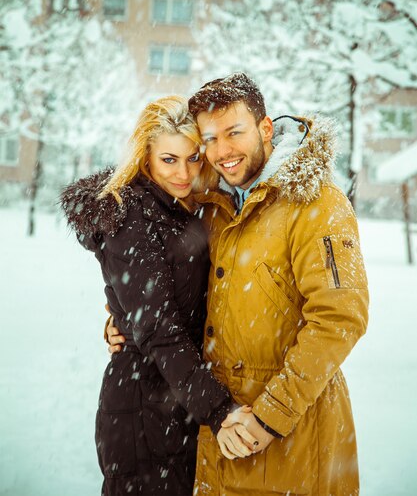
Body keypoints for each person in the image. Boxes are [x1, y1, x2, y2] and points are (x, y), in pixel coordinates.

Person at [108, 74, 369, 496]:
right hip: (219, 438)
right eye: (209, 138)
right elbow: (166, 282)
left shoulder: (319, 205)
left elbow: (340, 319)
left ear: (266, 128)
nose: (222, 151)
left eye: (234, 132)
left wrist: (268, 416)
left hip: (292, 441)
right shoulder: (212, 207)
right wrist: (121, 317)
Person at [60, 96, 257, 496]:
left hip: (175, 397)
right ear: (144, 157)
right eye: (169, 160)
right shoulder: (131, 213)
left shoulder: (179, 209)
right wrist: (219, 411)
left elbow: (154, 304)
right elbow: (159, 328)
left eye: (194, 158)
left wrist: (121, 318)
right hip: (142, 405)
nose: (184, 173)